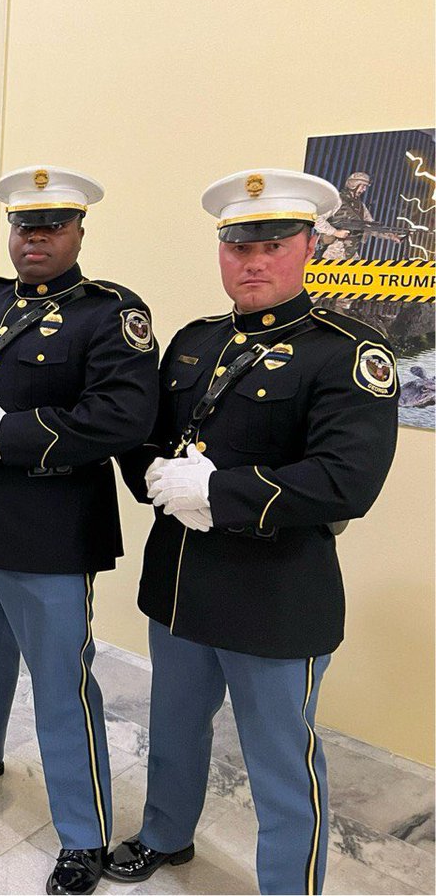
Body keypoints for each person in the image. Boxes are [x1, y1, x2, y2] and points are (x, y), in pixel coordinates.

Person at [107, 169, 399, 895]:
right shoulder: (195, 342)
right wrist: (159, 476)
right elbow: (149, 438)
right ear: (221, 250)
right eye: (238, 245)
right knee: (173, 729)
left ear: (309, 247)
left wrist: (218, 490)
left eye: (273, 244)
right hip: (179, 586)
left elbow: (346, 480)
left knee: (280, 763)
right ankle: (167, 834)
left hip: (275, 598)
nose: (253, 260)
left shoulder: (348, 352)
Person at [0, 166, 160, 895]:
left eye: (52, 225)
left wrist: (11, 434)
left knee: (61, 687)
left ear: (79, 231)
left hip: (51, 537)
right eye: (25, 225)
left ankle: (83, 832)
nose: (36, 237)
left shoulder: (111, 313)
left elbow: (122, 416)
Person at [314, 171, 400, 260]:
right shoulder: (337, 200)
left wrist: (391, 235)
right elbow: (317, 219)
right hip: (332, 253)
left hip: (351, 253)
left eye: (365, 187)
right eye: (362, 186)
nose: (364, 190)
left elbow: (370, 226)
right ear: (354, 184)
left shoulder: (361, 206)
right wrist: (335, 232)